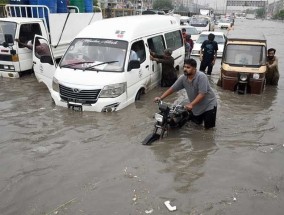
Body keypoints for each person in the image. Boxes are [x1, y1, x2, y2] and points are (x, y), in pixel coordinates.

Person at [154, 58, 217, 129]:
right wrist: (161, 97)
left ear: (194, 69)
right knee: (196, 125)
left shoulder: (201, 77)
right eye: (184, 67)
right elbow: (172, 88)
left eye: (188, 67)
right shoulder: (183, 78)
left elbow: (202, 94)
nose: (185, 69)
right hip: (196, 105)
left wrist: (191, 104)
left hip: (208, 105)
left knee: (208, 129)